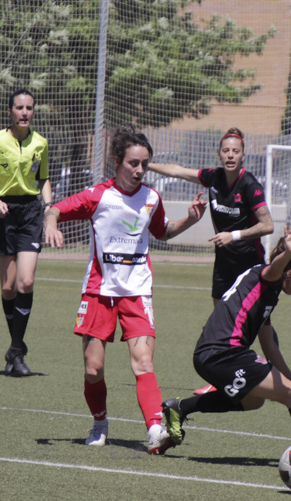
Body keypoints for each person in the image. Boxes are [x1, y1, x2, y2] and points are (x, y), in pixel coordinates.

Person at [44, 127, 207, 454]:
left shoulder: (151, 198)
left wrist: (189, 219)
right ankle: (100, 422)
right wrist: (50, 225)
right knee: (94, 369)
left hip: (137, 293)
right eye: (133, 163)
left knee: (143, 363)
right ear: (117, 162)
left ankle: (155, 430)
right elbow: (55, 209)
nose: (139, 170)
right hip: (99, 292)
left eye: (145, 164)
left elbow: (163, 231)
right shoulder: (98, 196)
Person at [162, 218, 291, 473]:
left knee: (253, 401)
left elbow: (269, 343)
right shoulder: (267, 277)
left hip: (212, 355)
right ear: (288, 266)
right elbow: (274, 269)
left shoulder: (267, 294)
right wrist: (290, 252)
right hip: (224, 353)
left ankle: (180, 408)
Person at [148, 127, 274, 394]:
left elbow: (268, 225)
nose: (230, 155)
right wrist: (146, 164)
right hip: (224, 264)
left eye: (235, 151)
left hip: (250, 266)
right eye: (226, 150)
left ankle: (278, 376)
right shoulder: (214, 177)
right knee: (222, 322)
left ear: (243, 156)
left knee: (260, 325)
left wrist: (235, 235)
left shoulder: (249, 184)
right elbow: (178, 170)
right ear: (219, 154)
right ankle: (222, 378)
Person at [0, 89, 53, 376]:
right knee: (8, 287)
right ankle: (15, 348)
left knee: (26, 281)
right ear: (10, 111)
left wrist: (49, 206)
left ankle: (16, 350)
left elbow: (43, 178)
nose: (24, 112)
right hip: (3, 212)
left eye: (29, 108)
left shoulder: (41, 143)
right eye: (19, 107)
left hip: (30, 212)